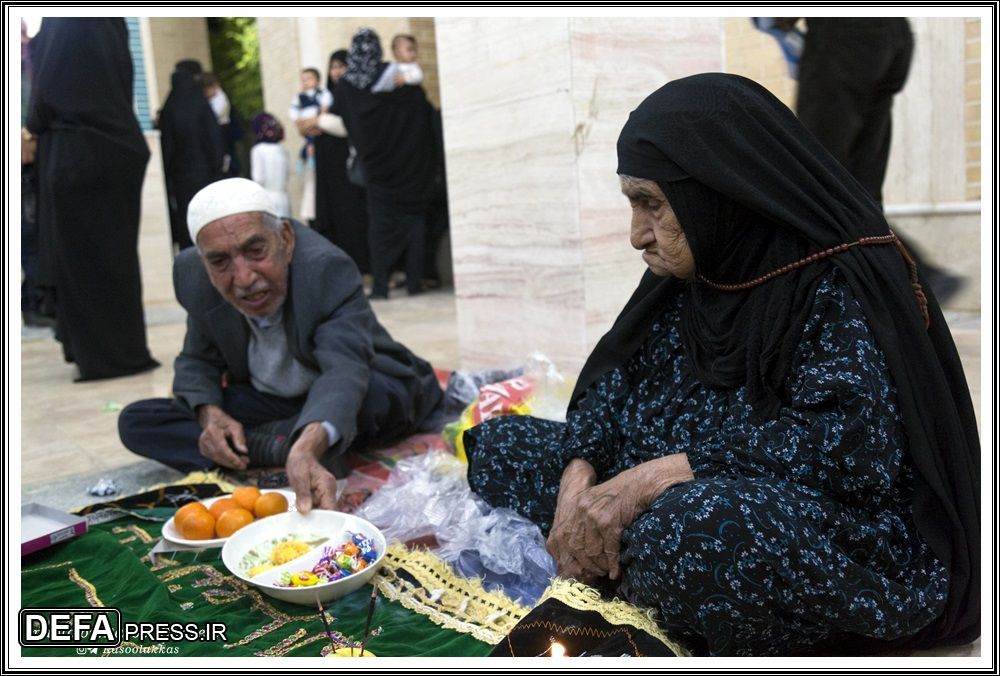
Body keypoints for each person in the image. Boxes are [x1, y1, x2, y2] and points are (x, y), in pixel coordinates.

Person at [464, 74, 979, 656]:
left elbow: (846, 453)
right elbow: (614, 385)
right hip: (670, 480)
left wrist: (654, 479)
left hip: (816, 521)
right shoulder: (701, 264)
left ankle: (633, 559)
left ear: (716, 190)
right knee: (499, 444)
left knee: (699, 532)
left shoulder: (839, 279)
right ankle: (616, 551)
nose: (637, 234)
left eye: (651, 204)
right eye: (632, 203)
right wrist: (577, 480)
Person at [117, 178, 444, 512]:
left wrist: (308, 444)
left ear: (285, 240)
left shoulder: (325, 268)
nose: (244, 278)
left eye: (255, 251)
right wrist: (211, 417)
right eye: (221, 262)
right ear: (204, 263)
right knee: (138, 420)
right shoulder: (195, 278)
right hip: (273, 403)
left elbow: (344, 369)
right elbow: (196, 361)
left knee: (370, 395)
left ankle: (290, 443)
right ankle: (286, 444)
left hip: (349, 386)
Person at [780, 17, 964, 302]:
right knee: (860, 187)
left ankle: (915, 274)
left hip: (841, 33)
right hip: (891, 34)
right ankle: (902, 283)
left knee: (814, 176)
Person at [26, 17, 159, 380]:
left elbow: (47, 92)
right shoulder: (108, 20)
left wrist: (32, 126)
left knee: (82, 263)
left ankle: (100, 355)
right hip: (116, 142)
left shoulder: (64, 21)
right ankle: (122, 349)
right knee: (114, 260)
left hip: (75, 150)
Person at [333, 28, 438, 299]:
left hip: (377, 171)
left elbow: (345, 121)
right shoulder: (401, 82)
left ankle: (381, 285)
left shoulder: (347, 87)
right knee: (414, 222)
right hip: (411, 168)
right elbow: (423, 119)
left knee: (380, 227)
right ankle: (414, 282)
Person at [313, 49, 370, 273]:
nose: (337, 72)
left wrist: (321, 120)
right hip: (330, 174)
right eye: (333, 67)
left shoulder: (354, 95)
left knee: (353, 218)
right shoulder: (325, 97)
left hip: (350, 173)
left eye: (341, 66)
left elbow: (351, 126)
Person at [158, 60, 225, 250]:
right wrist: (217, 167)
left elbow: (167, 147)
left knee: (189, 222)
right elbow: (214, 141)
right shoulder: (200, 104)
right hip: (206, 174)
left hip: (180, 178)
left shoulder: (170, 106)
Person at [249, 113, 290, 218]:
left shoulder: (258, 150)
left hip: (266, 199)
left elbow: (258, 178)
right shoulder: (283, 149)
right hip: (284, 198)